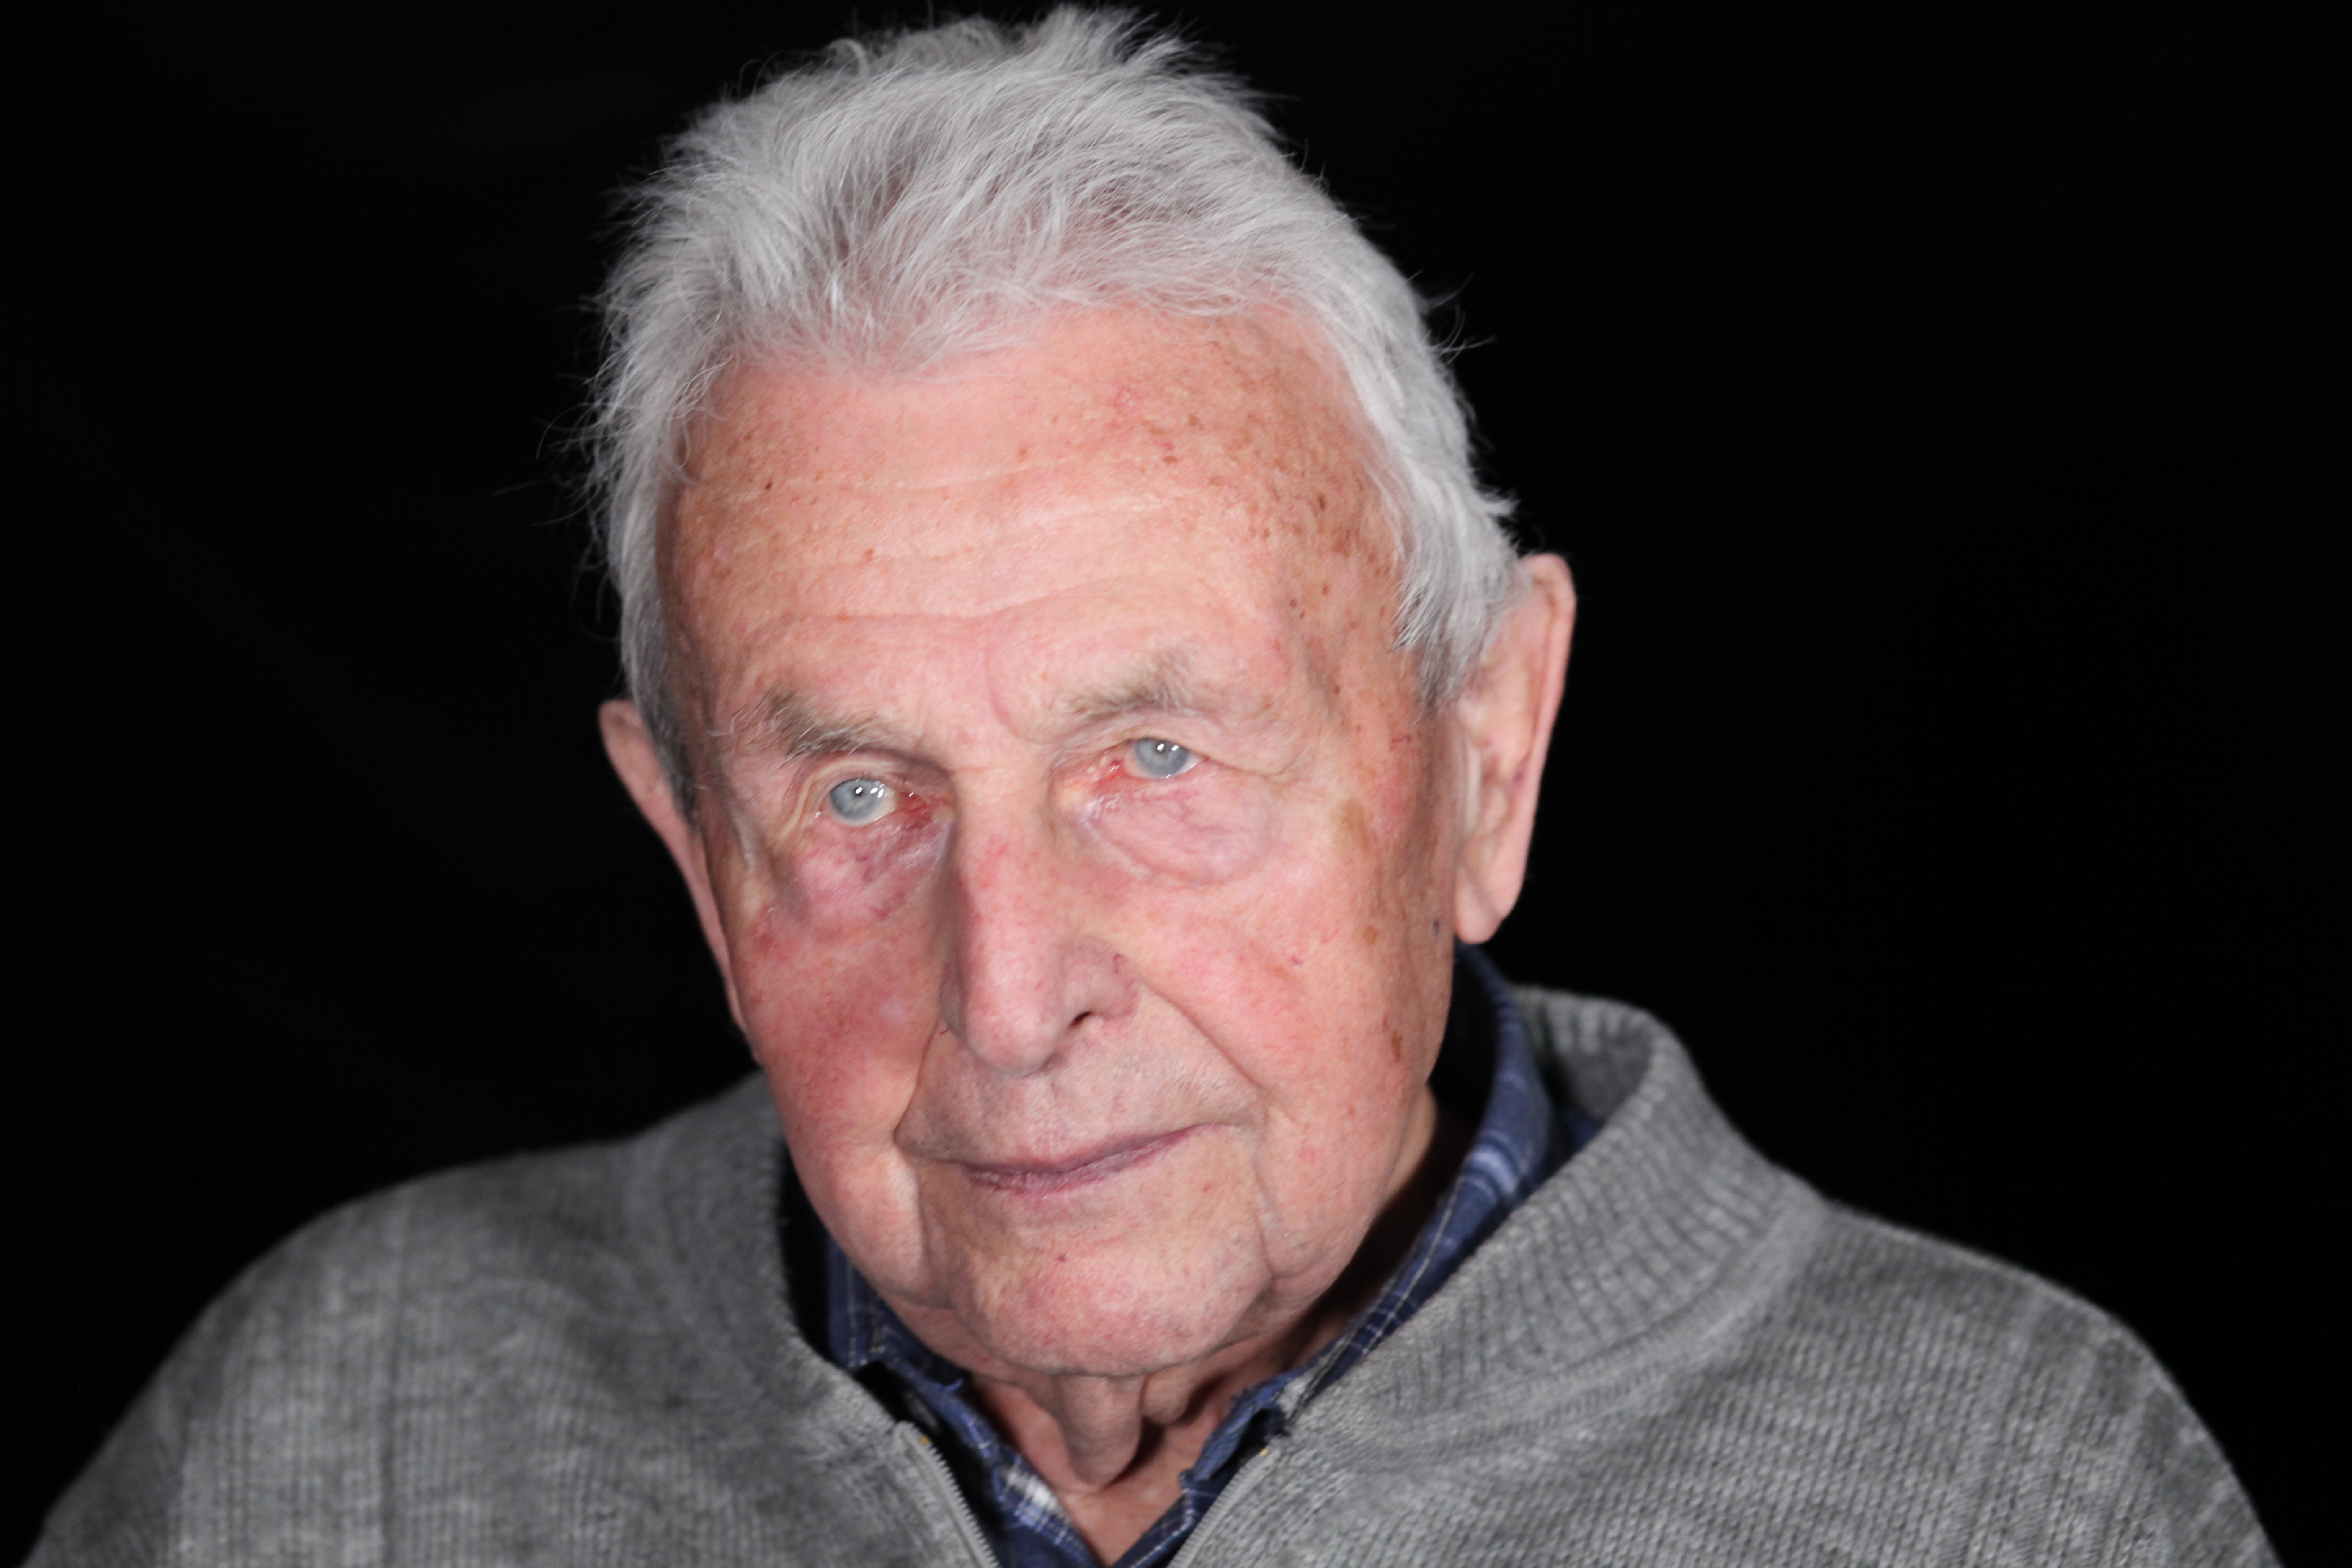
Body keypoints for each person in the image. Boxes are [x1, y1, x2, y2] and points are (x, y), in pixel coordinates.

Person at [32, 12, 2273, 1565]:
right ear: (697, 862)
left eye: (1158, 758)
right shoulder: (340, 1433)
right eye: (858, 801)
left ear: (1484, 758)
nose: (1012, 998)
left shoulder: (2013, 1493)